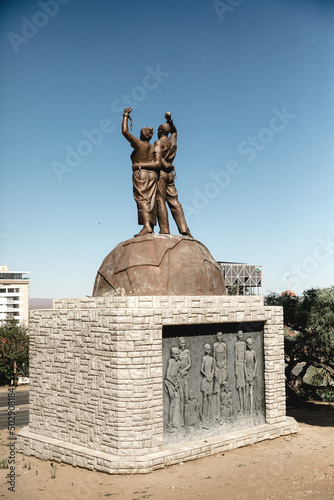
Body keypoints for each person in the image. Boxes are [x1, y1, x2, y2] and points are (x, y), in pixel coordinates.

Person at [122, 107, 162, 237]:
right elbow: (158, 163)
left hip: (141, 174)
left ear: (142, 134)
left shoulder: (139, 144)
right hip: (154, 175)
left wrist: (126, 115)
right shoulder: (153, 147)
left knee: (142, 199)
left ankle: (146, 226)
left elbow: (125, 131)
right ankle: (150, 226)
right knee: (152, 200)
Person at [155, 112, 192, 237]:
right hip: (170, 175)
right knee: (175, 201)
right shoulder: (172, 141)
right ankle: (184, 228)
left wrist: (166, 165)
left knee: (160, 200)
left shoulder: (158, 143)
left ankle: (164, 229)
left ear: (160, 131)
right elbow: (175, 132)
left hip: (161, 174)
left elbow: (159, 160)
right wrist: (170, 120)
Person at [164, 346, 181, 432]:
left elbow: (177, 374)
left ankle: (172, 422)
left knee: (174, 403)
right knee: (172, 402)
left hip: (174, 383)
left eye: (178, 354)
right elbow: (167, 376)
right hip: (169, 383)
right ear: (172, 355)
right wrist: (174, 384)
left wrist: (177, 382)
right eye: (176, 354)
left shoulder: (179, 363)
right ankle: (169, 424)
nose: (177, 356)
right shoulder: (170, 361)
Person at [213, 332, 227, 420]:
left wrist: (224, 367)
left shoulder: (224, 345)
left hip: (223, 369)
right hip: (217, 369)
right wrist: (215, 369)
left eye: (221, 336)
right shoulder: (215, 345)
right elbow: (214, 358)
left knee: (224, 391)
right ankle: (218, 412)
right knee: (218, 392)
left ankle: (224, 412)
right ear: (216, 336)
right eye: (218, 336)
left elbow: (225, 357)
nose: (220, 337)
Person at [178, 337, 192, 426]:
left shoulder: (187, 352)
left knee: (186, 397)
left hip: (186, 375)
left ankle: (187, 419)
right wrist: (180, 371)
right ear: (179, 344)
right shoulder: (178, 353)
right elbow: (177, 364)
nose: (183, 344)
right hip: (180, 376)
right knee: (181, 398)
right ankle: (182, 420)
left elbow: (190, 363)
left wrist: (184, 370)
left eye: (184, 343)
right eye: (181, 343)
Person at [200, 343, 215, 423]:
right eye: (207, 349)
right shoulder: (204, 358)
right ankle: (204, 416)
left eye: (209, 349)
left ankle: (208, 416)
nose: (208, 351)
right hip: (205, 379)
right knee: (204, 398)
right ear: (205, 350)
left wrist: (211, 376)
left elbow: (213, 369)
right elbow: (201, 369)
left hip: (210, 380)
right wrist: (206, 376)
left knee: (209, 399)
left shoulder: (212, 359)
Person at [245, 337, 257, 415]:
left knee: (251, 392)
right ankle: (246, 410)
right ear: (247, 345)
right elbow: (244, 364)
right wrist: (246, 373)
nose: (250, 346)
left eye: (251, 344)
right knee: (247, 393)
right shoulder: (246, 353)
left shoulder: (253, 352)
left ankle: (252, 410)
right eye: (249, 345)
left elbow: (256, 362)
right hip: (247, 373)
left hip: (252, 372)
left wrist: (254, 372)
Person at [235, 330, 246, 414]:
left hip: (243, 365)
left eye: (242, 334)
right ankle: (241, 408)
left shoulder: (244, 344)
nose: (241, 336)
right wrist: (236, 369)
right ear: (238, 335)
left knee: (244, 388)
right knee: (239, 388)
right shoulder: (236, 344)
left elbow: (245, 357)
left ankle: (245, 408)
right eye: (239, 334)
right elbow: (235, 357)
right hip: (238, 365)